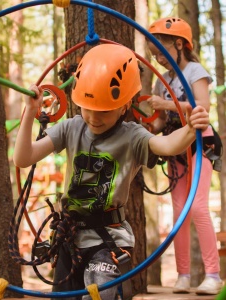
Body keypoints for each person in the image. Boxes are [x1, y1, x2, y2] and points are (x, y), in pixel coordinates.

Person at [13, 43, 209, 300]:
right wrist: (30, 112)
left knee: (98, 295)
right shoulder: (71, 128)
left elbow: (167, 145)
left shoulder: (132, 136)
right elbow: (23, 158)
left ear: (125, 105)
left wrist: (189, 129)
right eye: (87, 107)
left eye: (104, 110)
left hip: (109, 240)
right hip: (70, 239)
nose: (94, 117)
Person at [146, 17, 223, 295]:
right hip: (177, 147)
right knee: (179, 211)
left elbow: (202, 106)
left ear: (178, 44)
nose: (159, 59)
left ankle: (213, 274)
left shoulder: (195, 70)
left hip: (199, 143)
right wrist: (146, 124)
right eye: (154, 55)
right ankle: (183, 275)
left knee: (199, 206)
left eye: (162, 52)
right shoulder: (162, 81)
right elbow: (159, 123)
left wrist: (165, 102)